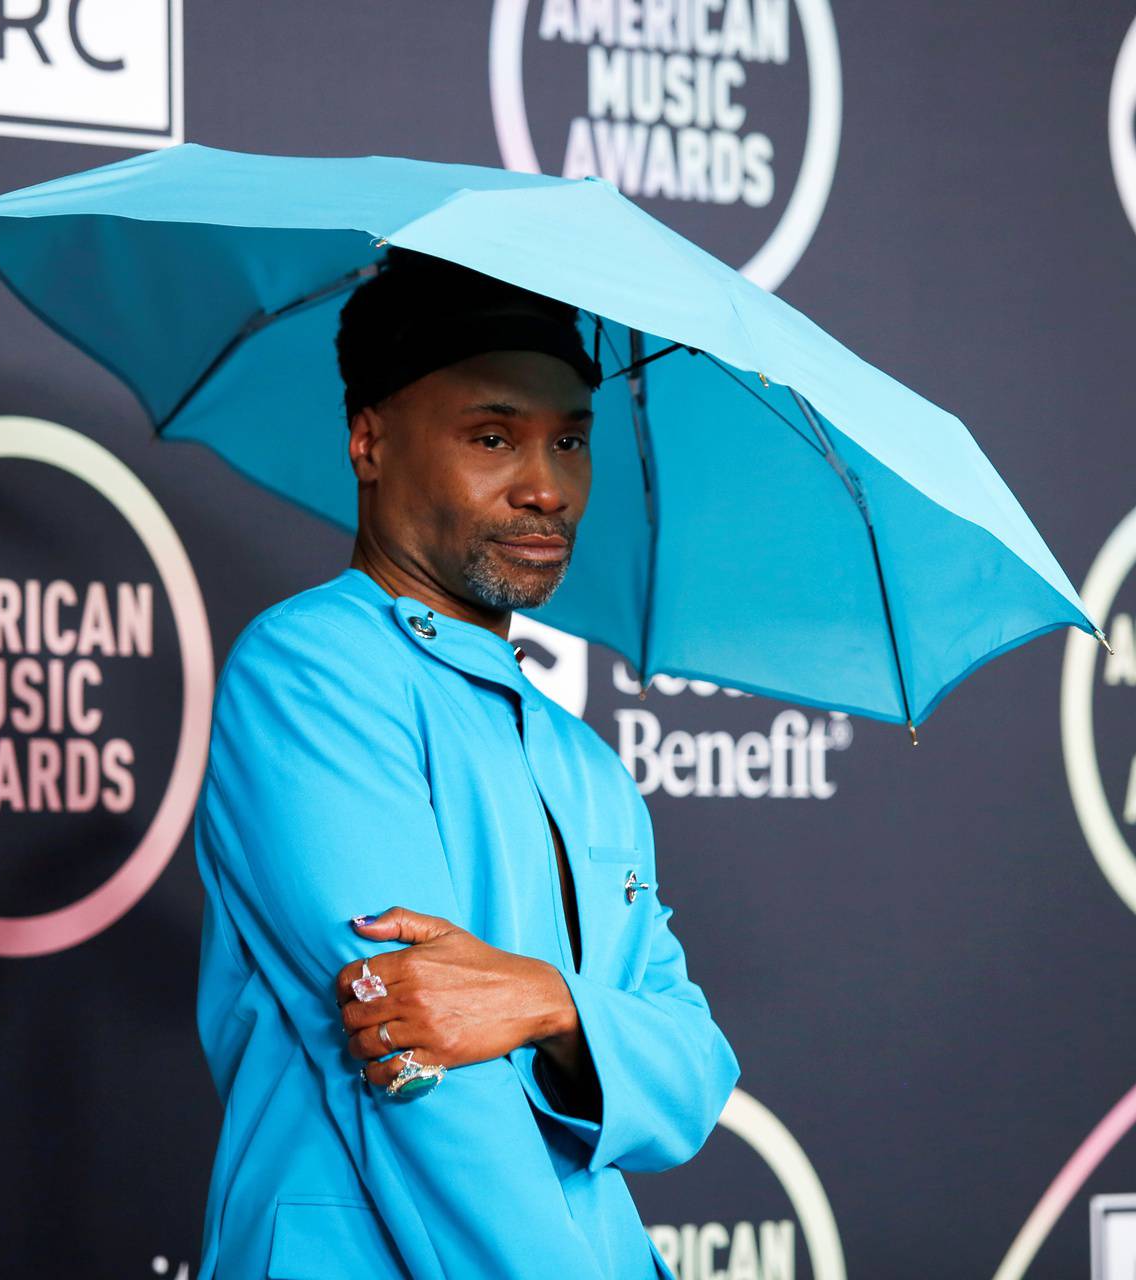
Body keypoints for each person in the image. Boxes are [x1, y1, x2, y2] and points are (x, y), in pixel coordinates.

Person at [191, 247, 741, 1279]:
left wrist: (552, 1001)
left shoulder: (582, 758)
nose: (546, 486)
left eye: (570, 440)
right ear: (370, 439)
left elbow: (695, 1073)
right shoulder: (313, 670)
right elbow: (426, 1089)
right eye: (493, 436)